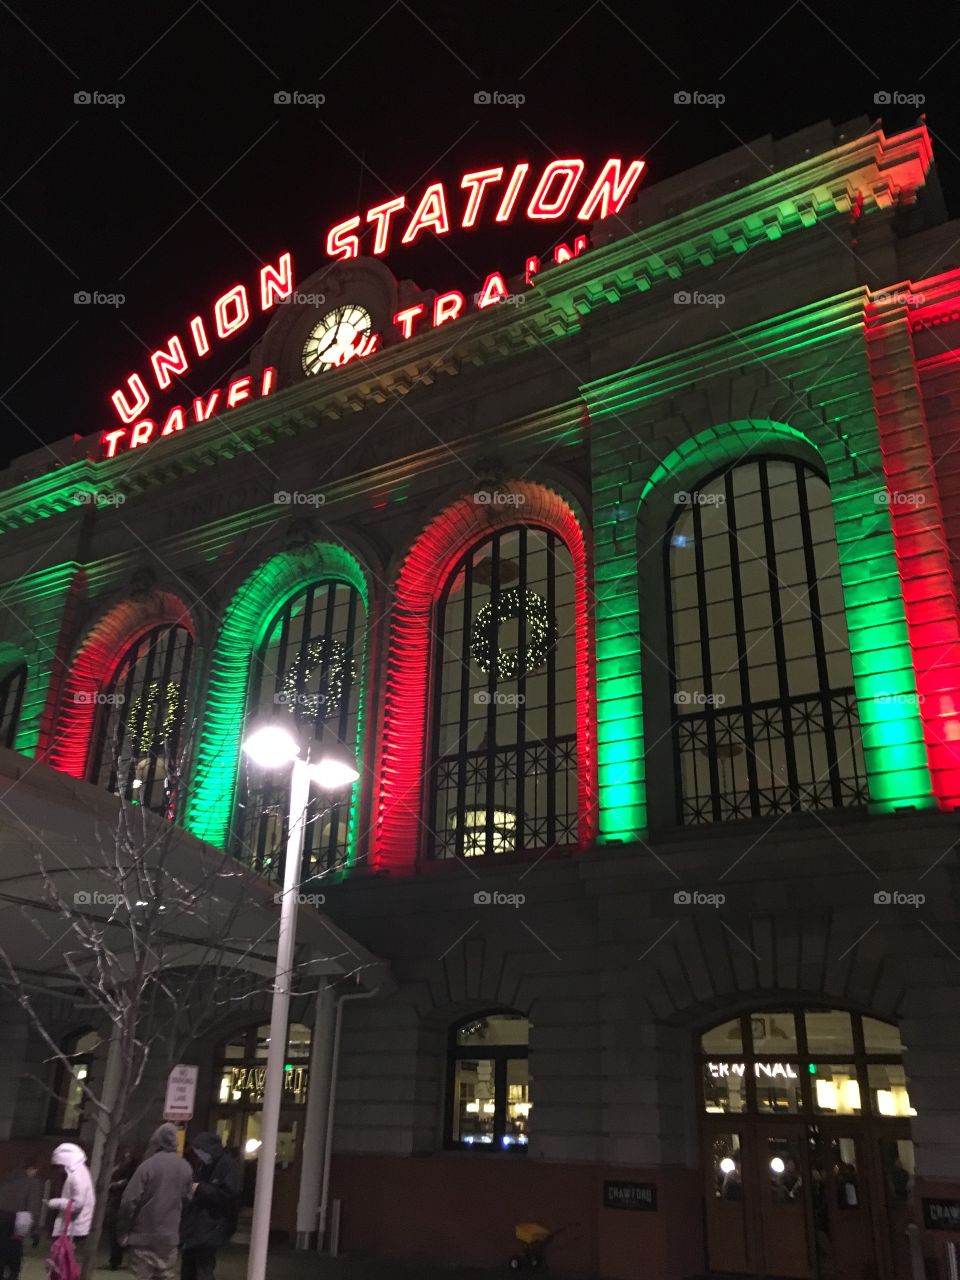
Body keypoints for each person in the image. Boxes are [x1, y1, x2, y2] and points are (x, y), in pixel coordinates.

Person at [117, 1124, 193, 1280]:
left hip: (143, 1237)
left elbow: (129, 1201)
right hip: (169, 1238)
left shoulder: (147, 1166)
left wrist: (123, 1231)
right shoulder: (185, 1168)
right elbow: (187, 1201)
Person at [180, 1134, 241, 1280]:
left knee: (202, 1268)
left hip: (210, 1226)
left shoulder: (226, 1165)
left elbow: (228, 1193)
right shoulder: (208, 1164)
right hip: (199, 1225)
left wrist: (200, 1188)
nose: (198, 1154)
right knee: (191, 1267)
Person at [0, 1162, 42, 1279]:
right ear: (30, 1169)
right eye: (35, 1170)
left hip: (2, 1217)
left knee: (1, 1250)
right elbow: (33, 1206)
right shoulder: (32, 1182)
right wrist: (35, 1231)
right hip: (17, 1220)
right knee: (15, 1252)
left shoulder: (7, 1180)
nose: (35, 1173)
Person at [48, 1145, 94, 1245]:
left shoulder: (78, 1176)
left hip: (73, 1227)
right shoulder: (78, 1172)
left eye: (59, 1166)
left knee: (63, 1252)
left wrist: (55, 1203)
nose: (59, 1170)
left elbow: (78, 1204)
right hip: (73, 1226)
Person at [105, 1148, 138, 1269]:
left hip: (123, 1205)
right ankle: (115, 1259)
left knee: (121, 1232)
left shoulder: (131, 1175)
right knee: (114, 1232)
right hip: (116, 1204)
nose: (125, 1161)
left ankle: (118, 1258)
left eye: (127, 1158)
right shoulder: (118, 1170)